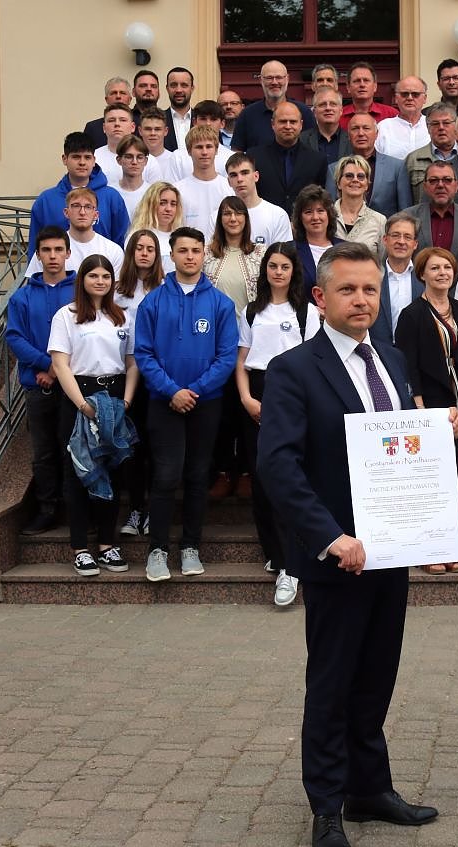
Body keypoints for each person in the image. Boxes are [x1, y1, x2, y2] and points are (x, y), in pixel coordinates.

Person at [256, 241, 452, 847]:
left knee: (375, 678)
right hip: (339, 558)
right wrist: (330, 538)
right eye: (347, 289)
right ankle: (327, 806)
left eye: (370, 289)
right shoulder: (292, 369)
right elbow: (278, 466)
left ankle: (369, 790)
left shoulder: (391, 358)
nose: (361, 299)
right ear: (320, 297)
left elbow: (396, 443)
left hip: (391, 551)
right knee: (332, 684)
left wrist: (438, 429)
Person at [133, 227, 239, 582]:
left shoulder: (221, 304)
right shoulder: (152, 302)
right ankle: (158, 550)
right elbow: (143, 354)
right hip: (164, 402)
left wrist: (193, 390)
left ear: (203, 254)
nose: (190, 256)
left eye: (196, 250)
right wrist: (172, 391)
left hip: (205, 403)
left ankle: (191, 546)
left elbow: (226, 357)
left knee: (196, 475)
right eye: (183, 250)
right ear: (172, 255)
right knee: (165, 476)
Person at [235, 242, 321, 607]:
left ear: (294, 271)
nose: (279, 272)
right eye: (273, 266)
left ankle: (291, 565)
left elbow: (315, 361)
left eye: (285, 266)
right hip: (257, 393)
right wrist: (246, 398)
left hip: (294, 394)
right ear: (265, 270)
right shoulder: (251, 310)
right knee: (262, 477)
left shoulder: (307, 311)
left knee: (291, 475)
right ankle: (273, 550)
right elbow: (241, 359)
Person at [48, 254, 139, 576]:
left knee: (112, 470)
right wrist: (83, 406)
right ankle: (80, 548)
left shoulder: (123, 317)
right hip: (79, 396)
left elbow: (132, 362)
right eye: (93, 276)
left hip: (115, 397)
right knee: (78, 471)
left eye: (105, 276)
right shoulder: (67, 316)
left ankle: (106, 544)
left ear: (113, 281)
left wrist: (126, 401)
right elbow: (60, 365)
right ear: (83, 280)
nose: (100, 281)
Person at [394, 246, 458, 573]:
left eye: (447, 267)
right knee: (432, 478)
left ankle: (453, 545)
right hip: (429, 404)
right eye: (435, 268)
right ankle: (430, 548)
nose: (442, 273)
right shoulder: (412, 314)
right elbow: (407, 365)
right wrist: (420, 409)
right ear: (422, 274)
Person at [7, 226, 76, 536]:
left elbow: (89, 332)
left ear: (68, 253)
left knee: (73, 448)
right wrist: (46, 365)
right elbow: (15, 337)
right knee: (44, 452)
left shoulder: (80, 291)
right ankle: (48, 509)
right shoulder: (22, 297)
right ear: (38, 255)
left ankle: (77, 509)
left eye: (58, 250)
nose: (53, 256)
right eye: (46, 250)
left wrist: (59, 370)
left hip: (76, 384)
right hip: (39, 385)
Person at [204, 197, 265, 499]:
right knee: (222, 411)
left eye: (238, 213)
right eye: (227, 213)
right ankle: (223, 470)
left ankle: (246, 472)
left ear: (245, 219)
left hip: (250, 342)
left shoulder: (259, 254)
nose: (232, 219)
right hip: (215, 343)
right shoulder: (207, 254)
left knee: (247, 409)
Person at [113, 230, 164, 537]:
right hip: (124, 375)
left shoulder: (164, 289)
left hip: (156, 376)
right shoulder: (117, 290)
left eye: (150, 249)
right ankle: (135, 509)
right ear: (131, 252)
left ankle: (154, 512)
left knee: (156, 445)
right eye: (139, 248)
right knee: (132, 447)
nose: (144, 253)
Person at [28, 132, 130, 255]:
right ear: (65, 159)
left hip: (101, 266)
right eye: (76, 157)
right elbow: (35, 246)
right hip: (60, 267)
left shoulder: (112, 197)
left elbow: (122, 242)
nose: (82, 162)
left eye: (87, 157)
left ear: (94, 160)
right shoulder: (46, 201)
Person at [402, 160, 458, 276]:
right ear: (425, 186)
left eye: (447, 180)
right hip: (419, 286)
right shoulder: (407, 218)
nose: (440, 185)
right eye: (433, 180)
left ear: (456, 186)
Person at [24, 187, 126, 277]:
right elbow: (34, 285)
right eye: (76, 206)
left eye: (88, 207)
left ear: (96, 215)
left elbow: (116, 290)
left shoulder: (113, 250)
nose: (82, 212)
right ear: (66, 212)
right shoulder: (49, 249)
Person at [251, 102, 330, 215]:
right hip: (266, 221)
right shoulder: (255, 157)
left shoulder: (317, 160)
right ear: (273, 124)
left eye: (293, 122)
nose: (288, 126)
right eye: (283, 121)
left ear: (301, 125)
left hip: (303, 223)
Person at [231, 60, 315, 153]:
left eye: (279, 77)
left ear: (287, 79)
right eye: (269, 78)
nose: (274, 82)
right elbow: (237, 152)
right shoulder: (247, 114)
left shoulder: (304, 112)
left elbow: (313, 149)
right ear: (261, 80)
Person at [339, 113, 413, 218]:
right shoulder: (335, 169)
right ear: (348, 135)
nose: (361, 133)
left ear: (376, 134)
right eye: (355, 128)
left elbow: (405, 212)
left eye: (366, 128)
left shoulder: (397, 167)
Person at [173, 126, 233, 244]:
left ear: (216, 150)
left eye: (209, 146)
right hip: (189, 251)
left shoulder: (230, 187)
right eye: (199, 147)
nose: (204, 152)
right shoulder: (177, 190)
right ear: (189, 151)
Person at [225, 152, 294, 250]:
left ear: (256, 176)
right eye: (233, 175)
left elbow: (283, 256)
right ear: (229, 181)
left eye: (245, 173)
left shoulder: (278, 215)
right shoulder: (218, 217)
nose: (239, 179)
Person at [374, 212, 424, 346]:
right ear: (385, 240)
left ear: (415, 244)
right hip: (379, 350)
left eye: (407, 237)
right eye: (395, 235)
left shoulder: (424, 279)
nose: (401, 242)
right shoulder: (371, 277)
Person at [292, 185, 344, 298]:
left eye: (320, 211)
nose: (315, 217)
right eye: (308, 212)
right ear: (300, 217)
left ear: (329, 214)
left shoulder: (345, 248)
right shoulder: (291, 250)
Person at [333, 155, 387, 255]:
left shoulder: (380, 221)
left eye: (361, 176)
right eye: (349, 176)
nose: (355, 180)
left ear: (367, 185)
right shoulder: (326, 216)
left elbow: (382, 261)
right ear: (338, 183)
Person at [95, 104, 162, 186]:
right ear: (104, 127)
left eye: (123, 120)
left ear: (133, 127)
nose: (117, 124)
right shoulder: (94, 158)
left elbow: (157, 192)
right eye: (111, 120)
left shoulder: (149, 161)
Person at [403, 103, 458, 201]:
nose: (441, 127)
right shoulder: (413, 160)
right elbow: (405, 200)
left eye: (446, 123)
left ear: (456, 126)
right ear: (428, 128)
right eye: (435, 124)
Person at [128, 182, 183, 272]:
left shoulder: (182, 237)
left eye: (173, 204)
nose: (168, 209)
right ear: (150, 205)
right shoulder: (136, 236)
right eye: (162, 203)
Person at [375, 75, 430, 159]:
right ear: (396, 98)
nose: (410, 98)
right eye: (404, 94)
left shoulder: (433, 125)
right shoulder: (383, 127)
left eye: (415, 94)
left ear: (425, 98)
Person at [340, 61, 399, 127]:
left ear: (375, 86)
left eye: (366, 80)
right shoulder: (339, 116)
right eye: (357, 81)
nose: (362, 85)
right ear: (348, 87)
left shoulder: (391, 114)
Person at [83, 76, 134, 148]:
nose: (118, 96)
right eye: (113, 93)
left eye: (122, 93)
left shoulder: (140, 125)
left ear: (129, 99)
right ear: (106, 99)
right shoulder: (92, 128)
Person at [303, 87, 350, 165]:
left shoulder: (351, 140)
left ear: (341, 111)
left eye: (333, 104)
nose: (328, 108)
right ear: (314, 112)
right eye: (322, 104)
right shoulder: (301, 140)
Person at [139, 108, 186, 184]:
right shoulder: (134, 162)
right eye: (148, 129)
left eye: (157, 129)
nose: (153, 133)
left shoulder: (176, 161)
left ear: (165, 131)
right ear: (140, 131)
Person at [114, 135, 154, 221]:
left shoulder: (153, 193)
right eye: (129, 157)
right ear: (119, 160)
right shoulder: (111, 192)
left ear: (146, 161)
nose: (134, 162)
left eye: (140, 157)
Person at [163, 66, 196, 153]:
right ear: (167, 89)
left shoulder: (201, 120)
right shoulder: (159, 120)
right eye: (173, 85)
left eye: (184, 85)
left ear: (192, 89)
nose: (178, 90)